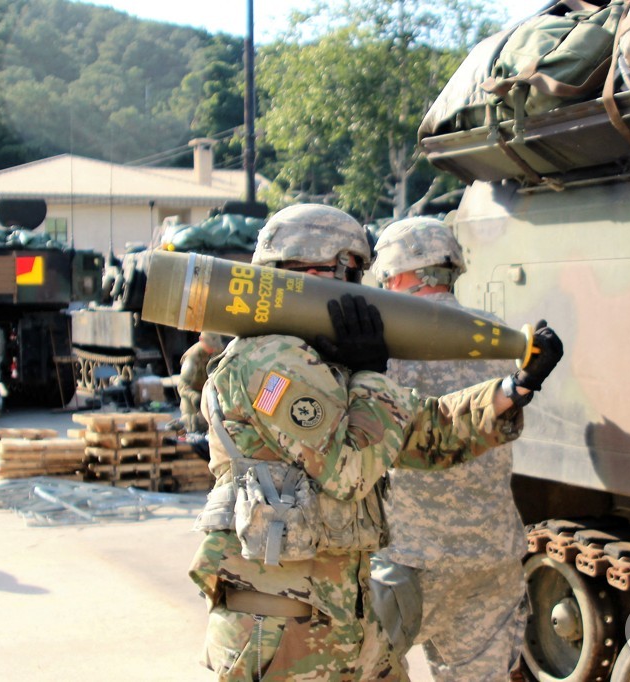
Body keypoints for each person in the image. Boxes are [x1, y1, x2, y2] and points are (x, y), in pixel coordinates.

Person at [187, 204, 563, 681]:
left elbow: (417, 429)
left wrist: (514, 390)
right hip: (283, 626)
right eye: (351, 273)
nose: (360, 288)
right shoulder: (268, 360)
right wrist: (370, 373)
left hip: (343, 614)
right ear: (320, 272)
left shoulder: (318, 357)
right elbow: (349, 470)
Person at [369, 217, 529, 681]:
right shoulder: (498, 336)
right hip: (492, 554)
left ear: (396, 274)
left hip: (411, 560)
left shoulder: (384, 347)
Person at [178, 332, 225, 433]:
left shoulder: (218, 351)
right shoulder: (192, 358)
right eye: (210, 346)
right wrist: (193, 396)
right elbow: (182, 386)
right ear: (201, 341)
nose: (213, 350)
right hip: (192, 395)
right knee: (191, 424)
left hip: (209, 392)